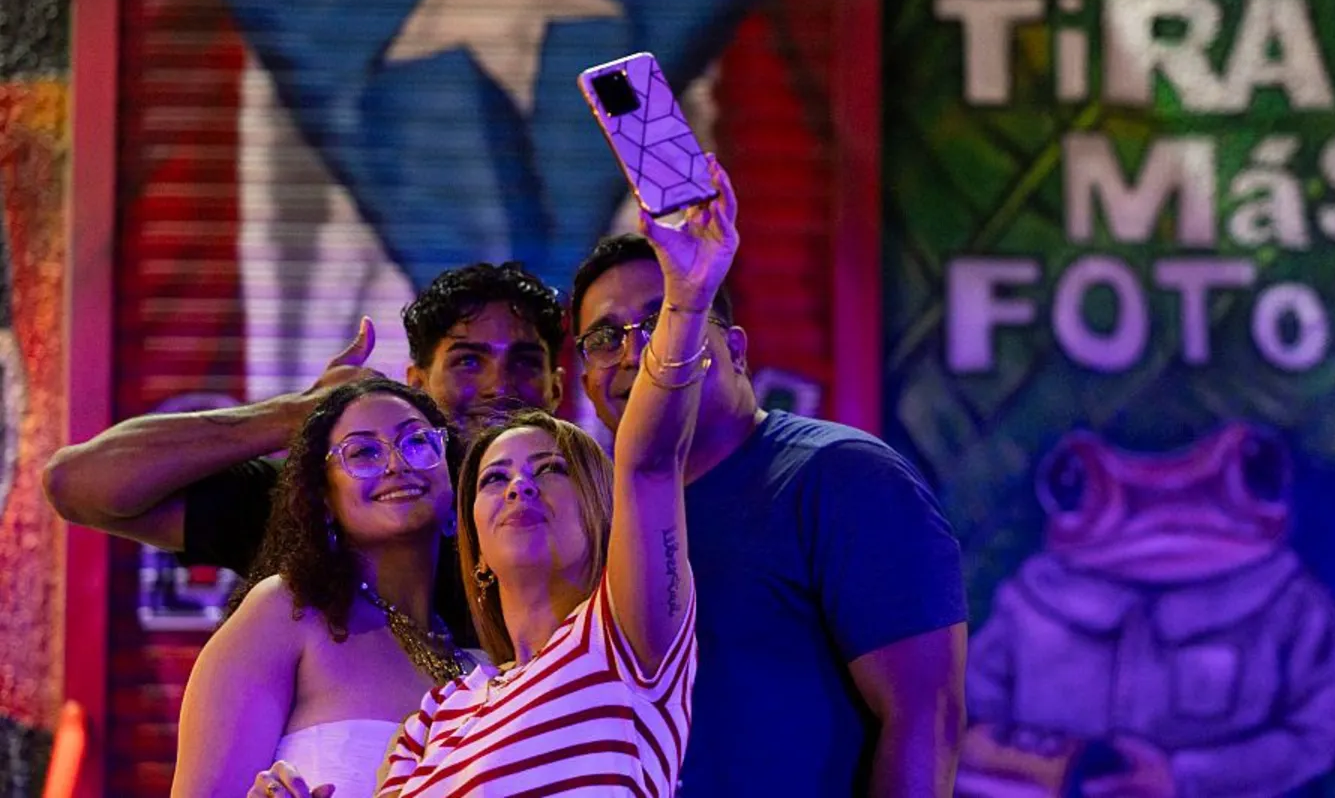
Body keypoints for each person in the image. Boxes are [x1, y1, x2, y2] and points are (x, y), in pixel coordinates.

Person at [256, 155, 737, 798]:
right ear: (472, 544)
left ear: (603, 518)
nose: (520, 486)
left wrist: (687, 299)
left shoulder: (630, 647)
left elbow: (649, 462)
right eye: (492, 479)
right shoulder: (439, 713)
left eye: (550, 468)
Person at [569, 226, 970, 794]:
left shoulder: (842, 476)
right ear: (584, 379)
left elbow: (925, 718)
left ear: (735, 349)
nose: (638, 353)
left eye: (669, 319)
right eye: (606, 337)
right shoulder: (595, 519)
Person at [42, 261, 566, 641]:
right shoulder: (321, 510)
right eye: (469, 362)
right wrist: (304, 415)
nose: (501, 385)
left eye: (524, 361)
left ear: (557, 390)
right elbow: (79, 483)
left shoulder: (598, 514)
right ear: (417, 386)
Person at [172, 378, 477, 798]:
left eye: (416, 442)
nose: (395, 463)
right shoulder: (287, 611)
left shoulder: (486, 664)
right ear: (324, 502)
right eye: (363, 452)